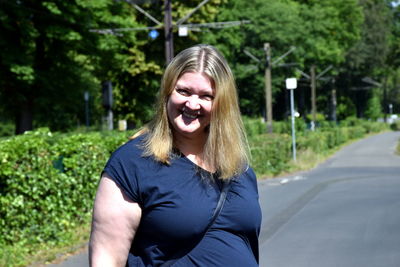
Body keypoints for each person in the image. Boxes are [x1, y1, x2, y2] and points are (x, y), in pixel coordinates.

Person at [89, 44, 262, 267]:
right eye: (184, 91)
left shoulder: (238, 168)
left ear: (222, 104)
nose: (192, 103)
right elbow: (107, 259)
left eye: (206, 96)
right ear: (168, 91)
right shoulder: (133, 163)